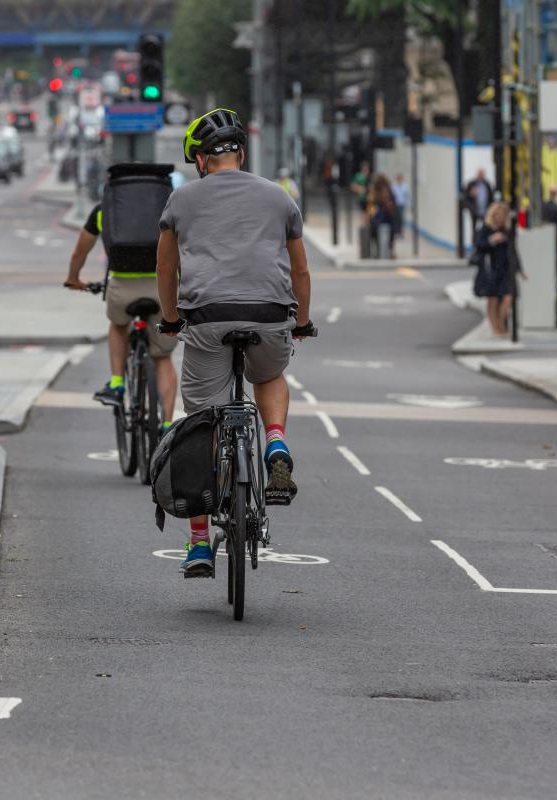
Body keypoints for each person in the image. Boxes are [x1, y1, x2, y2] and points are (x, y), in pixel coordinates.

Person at [156, 108, 315, 578]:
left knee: (203, 423)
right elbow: (301, 270)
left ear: (202, 161)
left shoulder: (181, 200)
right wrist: (300, 323)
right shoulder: (279, 197)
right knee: (267, 373)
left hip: (206, 318)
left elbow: (166, 269)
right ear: (241, 154)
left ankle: (200, 544)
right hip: (269, 315)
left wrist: (170, 319)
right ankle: (275, 444)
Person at [64, 201, 179, 426]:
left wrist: (73, 278)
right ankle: (166, 427)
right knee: (163, 357)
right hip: (161, 286)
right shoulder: (167, 207)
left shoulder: (105, 209)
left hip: (122, 286)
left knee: (118, 325)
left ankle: (117, 383)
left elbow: (80, 251)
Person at [473, 201, 526, 337]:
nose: (500, 218)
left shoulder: (508, 230)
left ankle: (501, 323)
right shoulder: (486, 228)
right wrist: (492, 240)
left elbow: (513, 250)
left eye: (503, 215)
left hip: (506, 267)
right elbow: (479, 245)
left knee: (508, 297)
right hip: (491, 267)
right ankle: (495, 328)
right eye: (497, 215)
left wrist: (520, 269)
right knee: (493, 298)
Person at [365, 174, 398, 258]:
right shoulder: (389, 191)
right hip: (388, 218)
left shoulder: (376, 193)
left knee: (375, 234)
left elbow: (371, 207)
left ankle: (379, 252)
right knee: (390, 235)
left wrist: (369, 217)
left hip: (380, 219)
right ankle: (389, 252)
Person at [391, 174, 410, 239]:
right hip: (395, 205)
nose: (399, 180)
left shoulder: (405, 186)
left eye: (400, 178)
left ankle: (401, 233)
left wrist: (409, 205)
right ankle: (396, 232)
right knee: (396, 219)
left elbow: (407, 196)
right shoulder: (393, 186)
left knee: (401, 219)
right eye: (398, 178)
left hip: (401, 205)